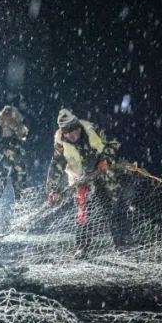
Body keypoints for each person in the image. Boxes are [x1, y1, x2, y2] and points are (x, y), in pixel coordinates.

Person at [45, 108, 127, 255]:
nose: (70, 135)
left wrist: (105, 159)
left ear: (78, 127)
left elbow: (114, 143)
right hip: (80, 179)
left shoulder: (92, 130)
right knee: (83, 213)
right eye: (66, 132)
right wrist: (53, 190)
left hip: (102, 174)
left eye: (72, 130)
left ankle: (121, 243)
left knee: (112, 207)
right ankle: (82, 247)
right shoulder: (60, 142)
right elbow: (56, 166)